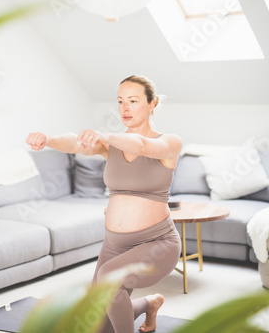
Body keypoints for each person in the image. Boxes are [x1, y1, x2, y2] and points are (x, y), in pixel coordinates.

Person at [25, 75, 182, 333]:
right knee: (97, 325)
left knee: (110, 279)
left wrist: (105, 135)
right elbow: (77, 142)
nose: (125, 108)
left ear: (152, 104)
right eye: (120, 101)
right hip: (114, 244)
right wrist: (48, 140)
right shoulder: (111, 145)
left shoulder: (169, 143)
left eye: (133, 101)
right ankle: (149, 304)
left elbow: (142, 145)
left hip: (157, 243)